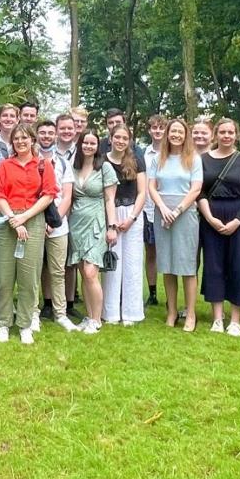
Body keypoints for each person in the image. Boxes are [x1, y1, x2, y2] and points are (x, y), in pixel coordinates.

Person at [0, 124, 59, 344]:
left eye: (25, 138)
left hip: (33, 219)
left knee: (29, 276)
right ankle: (4, 323)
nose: (20, 142)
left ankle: (25, 323)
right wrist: (13, 219)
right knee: (4, 276)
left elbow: (48, 195)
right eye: (17, 138)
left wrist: (24, 218)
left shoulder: (43, 165)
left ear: (32, 140)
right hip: (7, 219)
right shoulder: (4, 166)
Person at [197, 118, 240, 336]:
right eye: (222, 132)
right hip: (211, 216)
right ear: (216, 134)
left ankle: (235, 320)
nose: (226, 135)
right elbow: (200, 191)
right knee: (214, 266)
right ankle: (217, 318)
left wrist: (237, 221)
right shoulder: (203, 159)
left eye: (230, 132)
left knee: (239, 266)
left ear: (236, 135)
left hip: (238, 218)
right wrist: (210, 218)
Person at [147, 118, 204, 331]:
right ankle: (171, 311)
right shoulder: (158, 159)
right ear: (168, 134)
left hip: (185, 212)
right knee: (168, 265)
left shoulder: (194, 159)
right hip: (162, 211)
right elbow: (152, 187)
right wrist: (162, 208)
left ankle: (190, 314)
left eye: (180, 131)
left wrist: (178, 209)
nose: (176, 135)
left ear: (185, 134)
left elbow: (196, 189)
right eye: (173, 131)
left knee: (187, 266)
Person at [67, 129, 119, 334]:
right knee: (82, 271)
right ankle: (89, 317)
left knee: (91, 272)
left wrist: (112, 226)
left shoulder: (105, 167)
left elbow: (109, 200)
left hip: (96, 223)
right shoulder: (74, 167)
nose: (89, 146)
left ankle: (97, 319)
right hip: (76, 224)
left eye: (93, 143)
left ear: (98, 146)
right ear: (80, 144)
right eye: (85, 143)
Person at [102, 124, 147, 326]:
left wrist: (132, 218)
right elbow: (107, 197)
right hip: (110, 214)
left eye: (124, 138)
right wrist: (111, 224)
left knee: (133, 263)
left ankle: (132, 312)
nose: (120, 141)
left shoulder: (136, 160)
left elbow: (142, 193)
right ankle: (110, 312)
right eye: (117, 137)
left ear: (129, 141)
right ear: (110, 138)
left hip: (132, 214)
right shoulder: (102, 161)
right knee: (112, 264)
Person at [36, 120, 78, 332]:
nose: (46, 136)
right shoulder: (30, 161)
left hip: (58, 226)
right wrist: (38, 222)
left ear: (55, 136)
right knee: (33, 270)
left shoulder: (62, 163)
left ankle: (60, 313)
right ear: (36, 135)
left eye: (49, 133)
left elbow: (67, 196)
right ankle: (32, 312)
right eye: (42, 132)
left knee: (57, 270)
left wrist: (53, 222)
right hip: (33, 224)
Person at [143, 114, 169, 306]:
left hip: (169, 209)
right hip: (148, 209)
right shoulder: (144, 154)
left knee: (168, 252)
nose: (158, 131)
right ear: (149, 130)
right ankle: (152, 293)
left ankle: (172, 295)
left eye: (161, 128)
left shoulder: (173, 153)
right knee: (150, 252)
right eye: (154, 128)